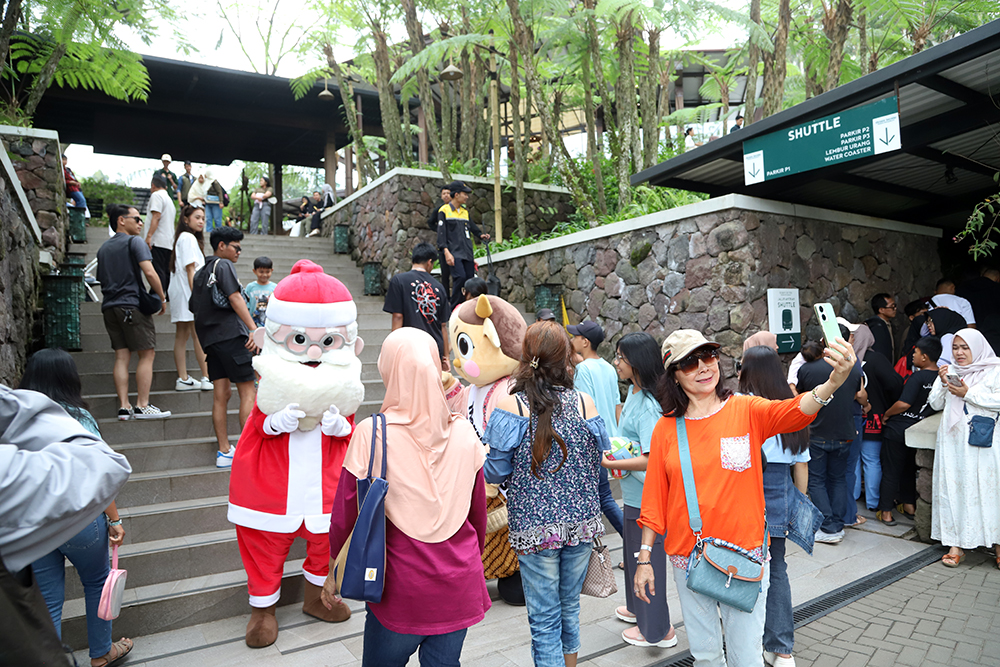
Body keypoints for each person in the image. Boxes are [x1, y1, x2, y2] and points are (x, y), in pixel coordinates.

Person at [634, 329, 856, 667]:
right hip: (688, 557)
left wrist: (834, 383)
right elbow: (654, 498)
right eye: (690, 362)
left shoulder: (745, 409)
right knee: (706, 656)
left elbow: (796, 411)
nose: (704, 367)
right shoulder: (666, 429)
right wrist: (645, 558)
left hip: (745, 554)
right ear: (674, 376)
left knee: (746, 656)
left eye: (708, 356)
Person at [322, 328, 490, 666]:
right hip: (458, 583)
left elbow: (345, 515)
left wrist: (333, 571)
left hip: (400, 589)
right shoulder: (464, 432)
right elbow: (477, 515)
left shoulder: (372, 433)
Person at [483, 321, 609, 667]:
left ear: (526, 357)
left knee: (543, 618)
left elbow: (495, 472)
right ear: (566, 358)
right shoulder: (585, 403)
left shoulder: (513, 407)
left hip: (534, 527)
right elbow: (598, 458)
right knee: (570, 606)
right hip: (581, 524)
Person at [0, 384, 131, 665]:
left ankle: (51, 658)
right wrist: (115, 519)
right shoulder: (78, 419)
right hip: (82, 522)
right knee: (96, 582)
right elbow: (98, 475)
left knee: (47, 597)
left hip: (36, 522)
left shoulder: (12, 426)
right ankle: (101, 654)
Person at [738, 343, 821, 667]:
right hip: (782, 490)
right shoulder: (792, 407)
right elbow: (801, 465)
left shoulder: (742, 405)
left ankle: (751, 639)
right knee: (779, 569)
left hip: (748, 491)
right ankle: (782, 648)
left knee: (749, 568)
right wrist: (798, 500)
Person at [599, 333, 676, 649]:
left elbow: (650, 459)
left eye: (620, 357)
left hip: (646, 495)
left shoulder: (646, 405)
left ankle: (658, 630)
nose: (616, 362)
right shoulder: (634, 391)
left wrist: (610, 463)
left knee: (646, 559)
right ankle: (637, 610)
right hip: (635, 493)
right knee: (634, 557)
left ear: (636, 362)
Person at [928, 329, 1000, 569]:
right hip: (953, 443)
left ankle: (998, 543)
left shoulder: (995, 369)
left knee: (989, 491)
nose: (959, 353)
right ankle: (956, 545)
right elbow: (935, 403)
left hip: (985, 443)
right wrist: (942, 381)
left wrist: (969, 393)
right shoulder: (952, 370)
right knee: (954, 490)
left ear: (977, 347)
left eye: (965, 348)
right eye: (955, 348)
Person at [191, 227, 258, 467]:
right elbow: (235, 297)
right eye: (236, 247)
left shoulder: (200, 273)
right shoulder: (224, 265)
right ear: (222, 246)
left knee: (221, 395)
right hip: (231, 335)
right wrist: (253, 328)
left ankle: (224, 451)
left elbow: (194, 307)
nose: (239, 251)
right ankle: (249, 451)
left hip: (211, 341)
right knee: (248, 391)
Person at [97, 203, 171, 420]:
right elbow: (149, 271)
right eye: (137, 219)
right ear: (121, 220)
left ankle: (124, 406)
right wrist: (162, 296)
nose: (141, 223)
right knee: (147, 353)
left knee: (121, 356)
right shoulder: (134, 241)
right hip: (131, 306)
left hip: (109, 308)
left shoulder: (103, 249)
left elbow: (102, 279)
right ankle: (142, 405)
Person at [797, 334, 864, 544]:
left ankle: (827, 526)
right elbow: (857, 394)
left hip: (817, 432)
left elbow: (802, 398)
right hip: (845, 432)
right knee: (839, 478)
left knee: (816, 481)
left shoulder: (806, 370)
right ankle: (838, 523)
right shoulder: (854, 368)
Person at [568, 320, 625, 536]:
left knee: (603, 498)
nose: (572, 340)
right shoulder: (610, 367)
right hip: (612, 439)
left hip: (593, 443)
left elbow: (583, 408)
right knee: (604, 497)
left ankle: (632, 545)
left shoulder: (582, 369)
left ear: (585, 341)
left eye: (575, 336)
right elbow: (617, 405)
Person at [877, 336, 942, 525]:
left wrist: (887, 414)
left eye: (916, 352)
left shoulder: (918, 376)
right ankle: (909, 505)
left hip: (898, 429)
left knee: (891, 470)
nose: (912, 355)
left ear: (925, 357)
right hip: (918, 431)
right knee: (909, 468)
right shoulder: (940, 378)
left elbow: (904, 403)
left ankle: (886, 512)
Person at [852, 326, 903, 517]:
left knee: (854, 458)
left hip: (853, 417)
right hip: (876, 417)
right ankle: (873, 502)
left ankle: (853, 497)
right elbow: (894, 383)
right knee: (872, 459)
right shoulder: (876, 359)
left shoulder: (848, 359)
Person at [383, 243, 451, 370]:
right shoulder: (439, 287)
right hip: (434, 348)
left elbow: (397, 316)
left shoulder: (398, 281)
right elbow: (443, 326)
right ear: (429, 262)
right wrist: (445, 357)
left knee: (409, 387)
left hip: (409, 347)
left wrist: (393, 348)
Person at [168, 205, 212, 392]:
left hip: (181, 291)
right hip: (188, 292)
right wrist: (198, 297)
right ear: (186, 219)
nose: (201, 221)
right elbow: (190, 269)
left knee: (183, 334)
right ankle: (206, 376)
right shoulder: (187, 238)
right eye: (197, 217)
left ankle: (184, 378)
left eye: (203, 218)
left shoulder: (183, 238)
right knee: (197, 334)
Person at [437, 180, 489, 307]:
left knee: (470, 280)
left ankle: (468, 307)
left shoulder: (465, 212)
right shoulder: (444, 210)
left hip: (467, 253)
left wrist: (480, 235)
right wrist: (446, 251)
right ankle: (454, 307)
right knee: (459, 278)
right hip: (454, 253)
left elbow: (471, 227)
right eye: (464, 194)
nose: (466, 197)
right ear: (456, 195)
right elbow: (441, 234)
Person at [957, 268, 1000, 351]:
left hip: (970, 330)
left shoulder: (963, 288)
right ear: (998, 279)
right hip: (995, 331)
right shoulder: (997, 289)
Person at [427, 185, 452, 294]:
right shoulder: (439, 210)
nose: (446, 195)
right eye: (444, 193)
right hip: (443, 245)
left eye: (448, 193)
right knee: (445, 274)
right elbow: (430, 222)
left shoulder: (458, 210)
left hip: (455, 246)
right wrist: (440, 231)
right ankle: (446, 296)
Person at [243, 256, 277, 328]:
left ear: (272, 270)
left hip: (269, 325)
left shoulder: (275, 287)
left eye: (267, 272)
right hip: (252, 325)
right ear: (254, 271)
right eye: (261, 272)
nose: (264, 275)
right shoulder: (250, 287)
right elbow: (245, 304)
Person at [864, 293, 897, 363]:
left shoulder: (887, 324)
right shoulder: (877, 327)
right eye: (892, 307)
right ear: (881, 310)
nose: (895, 309)